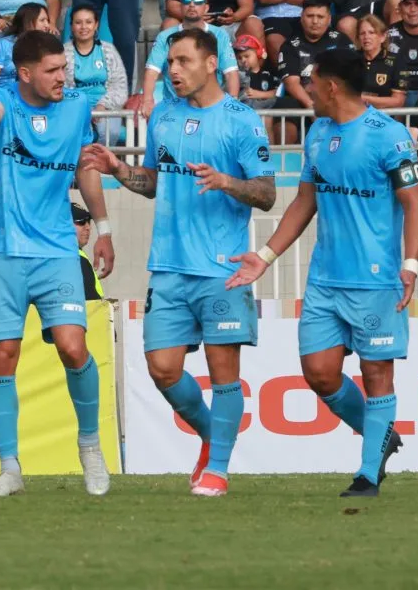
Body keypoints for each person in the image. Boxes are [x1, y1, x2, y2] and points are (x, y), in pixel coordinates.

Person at [84, 27, 276, 497]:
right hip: (168, 266)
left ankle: (218, 469)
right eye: (169, 61)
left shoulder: (242, 120)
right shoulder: (164, 117)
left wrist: (227, 182)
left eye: (183, 61)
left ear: (211, 64)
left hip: (222, 268)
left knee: (224, 373)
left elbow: (267, 193)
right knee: (162, 368)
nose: (173, 70)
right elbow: (153, 182)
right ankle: (213, 436)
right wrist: (118, 169)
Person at [225, 47, 418, 497]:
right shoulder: (317, 135)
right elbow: (305, 201)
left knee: (377, 374)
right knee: (319, 372)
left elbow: (414, 203)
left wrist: (410, 265)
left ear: (331, 87)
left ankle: (368, 474)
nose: (307, 91)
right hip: (324, 279)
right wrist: (265, 256)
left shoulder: (390, 136)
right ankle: (381, 435)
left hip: (375, 280)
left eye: (312, 84)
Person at [0, 30, 115, 497]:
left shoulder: (76, 107)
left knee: (73, 346)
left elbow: (86, 167)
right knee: (2, 355)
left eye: (63, 68)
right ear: (25, 73)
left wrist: (104, 229)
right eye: (52, 70)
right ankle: (10, 468)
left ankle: (90, 445)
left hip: (56, 250)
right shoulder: (2, 100)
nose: (62, 77)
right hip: (4, 250)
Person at [140, 0, 240, 118]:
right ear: (181, 7)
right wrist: (147, 100)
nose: (192, 5)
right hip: (173, 111)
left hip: (210, 110)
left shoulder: (220, 35)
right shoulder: (165, 36)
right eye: (187, 1)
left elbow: (231, 73)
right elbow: (152, 72)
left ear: (206, 8)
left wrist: (232, 102)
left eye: (198, 1)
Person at [274, 0, 353, 144]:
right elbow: (291, 83)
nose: (315, 21)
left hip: (333, 97)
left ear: (329, 19)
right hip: (302, 99)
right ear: (301, 17)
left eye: (320, 17)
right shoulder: (290, 45)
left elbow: (349, 77)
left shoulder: (341, 41)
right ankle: (285, 157)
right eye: (310, 16)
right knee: (285, 106)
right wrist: (312, 107)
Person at [64, 5, 128, 146]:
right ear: (72, 26)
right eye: (78, 22)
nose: (83, 27)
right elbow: (60, 87)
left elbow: (120, 86)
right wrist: (80, 107)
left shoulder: (109, 50)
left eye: (88, 22)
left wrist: (102, 105)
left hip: (106, 108)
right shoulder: (63, 53)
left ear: (96, 25)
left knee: (109, 132)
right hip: (74, 108)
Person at [0, 2, 52, 88]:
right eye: (42, 20)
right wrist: (0, 96)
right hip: (3, 93)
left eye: (47, 21)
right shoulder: (3, 44)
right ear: (28, 22)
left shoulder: (45, 47)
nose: (47, 25)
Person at [357, 13, 405, 109]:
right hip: (355, 114)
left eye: (371, 32)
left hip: (383, 116)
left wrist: (364, 99)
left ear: (382, 37)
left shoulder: (398, 61)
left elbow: (398, 101)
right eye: (362, 33)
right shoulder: (350, 59)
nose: (366, 37)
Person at [233, 34, 276, 111]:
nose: (243, 60)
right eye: (239, 58)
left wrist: (260, 94)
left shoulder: (268, 74)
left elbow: (279, 93)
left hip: (265, 112)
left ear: (258, 53)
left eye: (247, 56)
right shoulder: (237, 77)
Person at [71, 203, 103, 301]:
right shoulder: (75, 259)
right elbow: (90, 300)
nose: (88, 227)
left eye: (88, 221)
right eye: (81, 222)